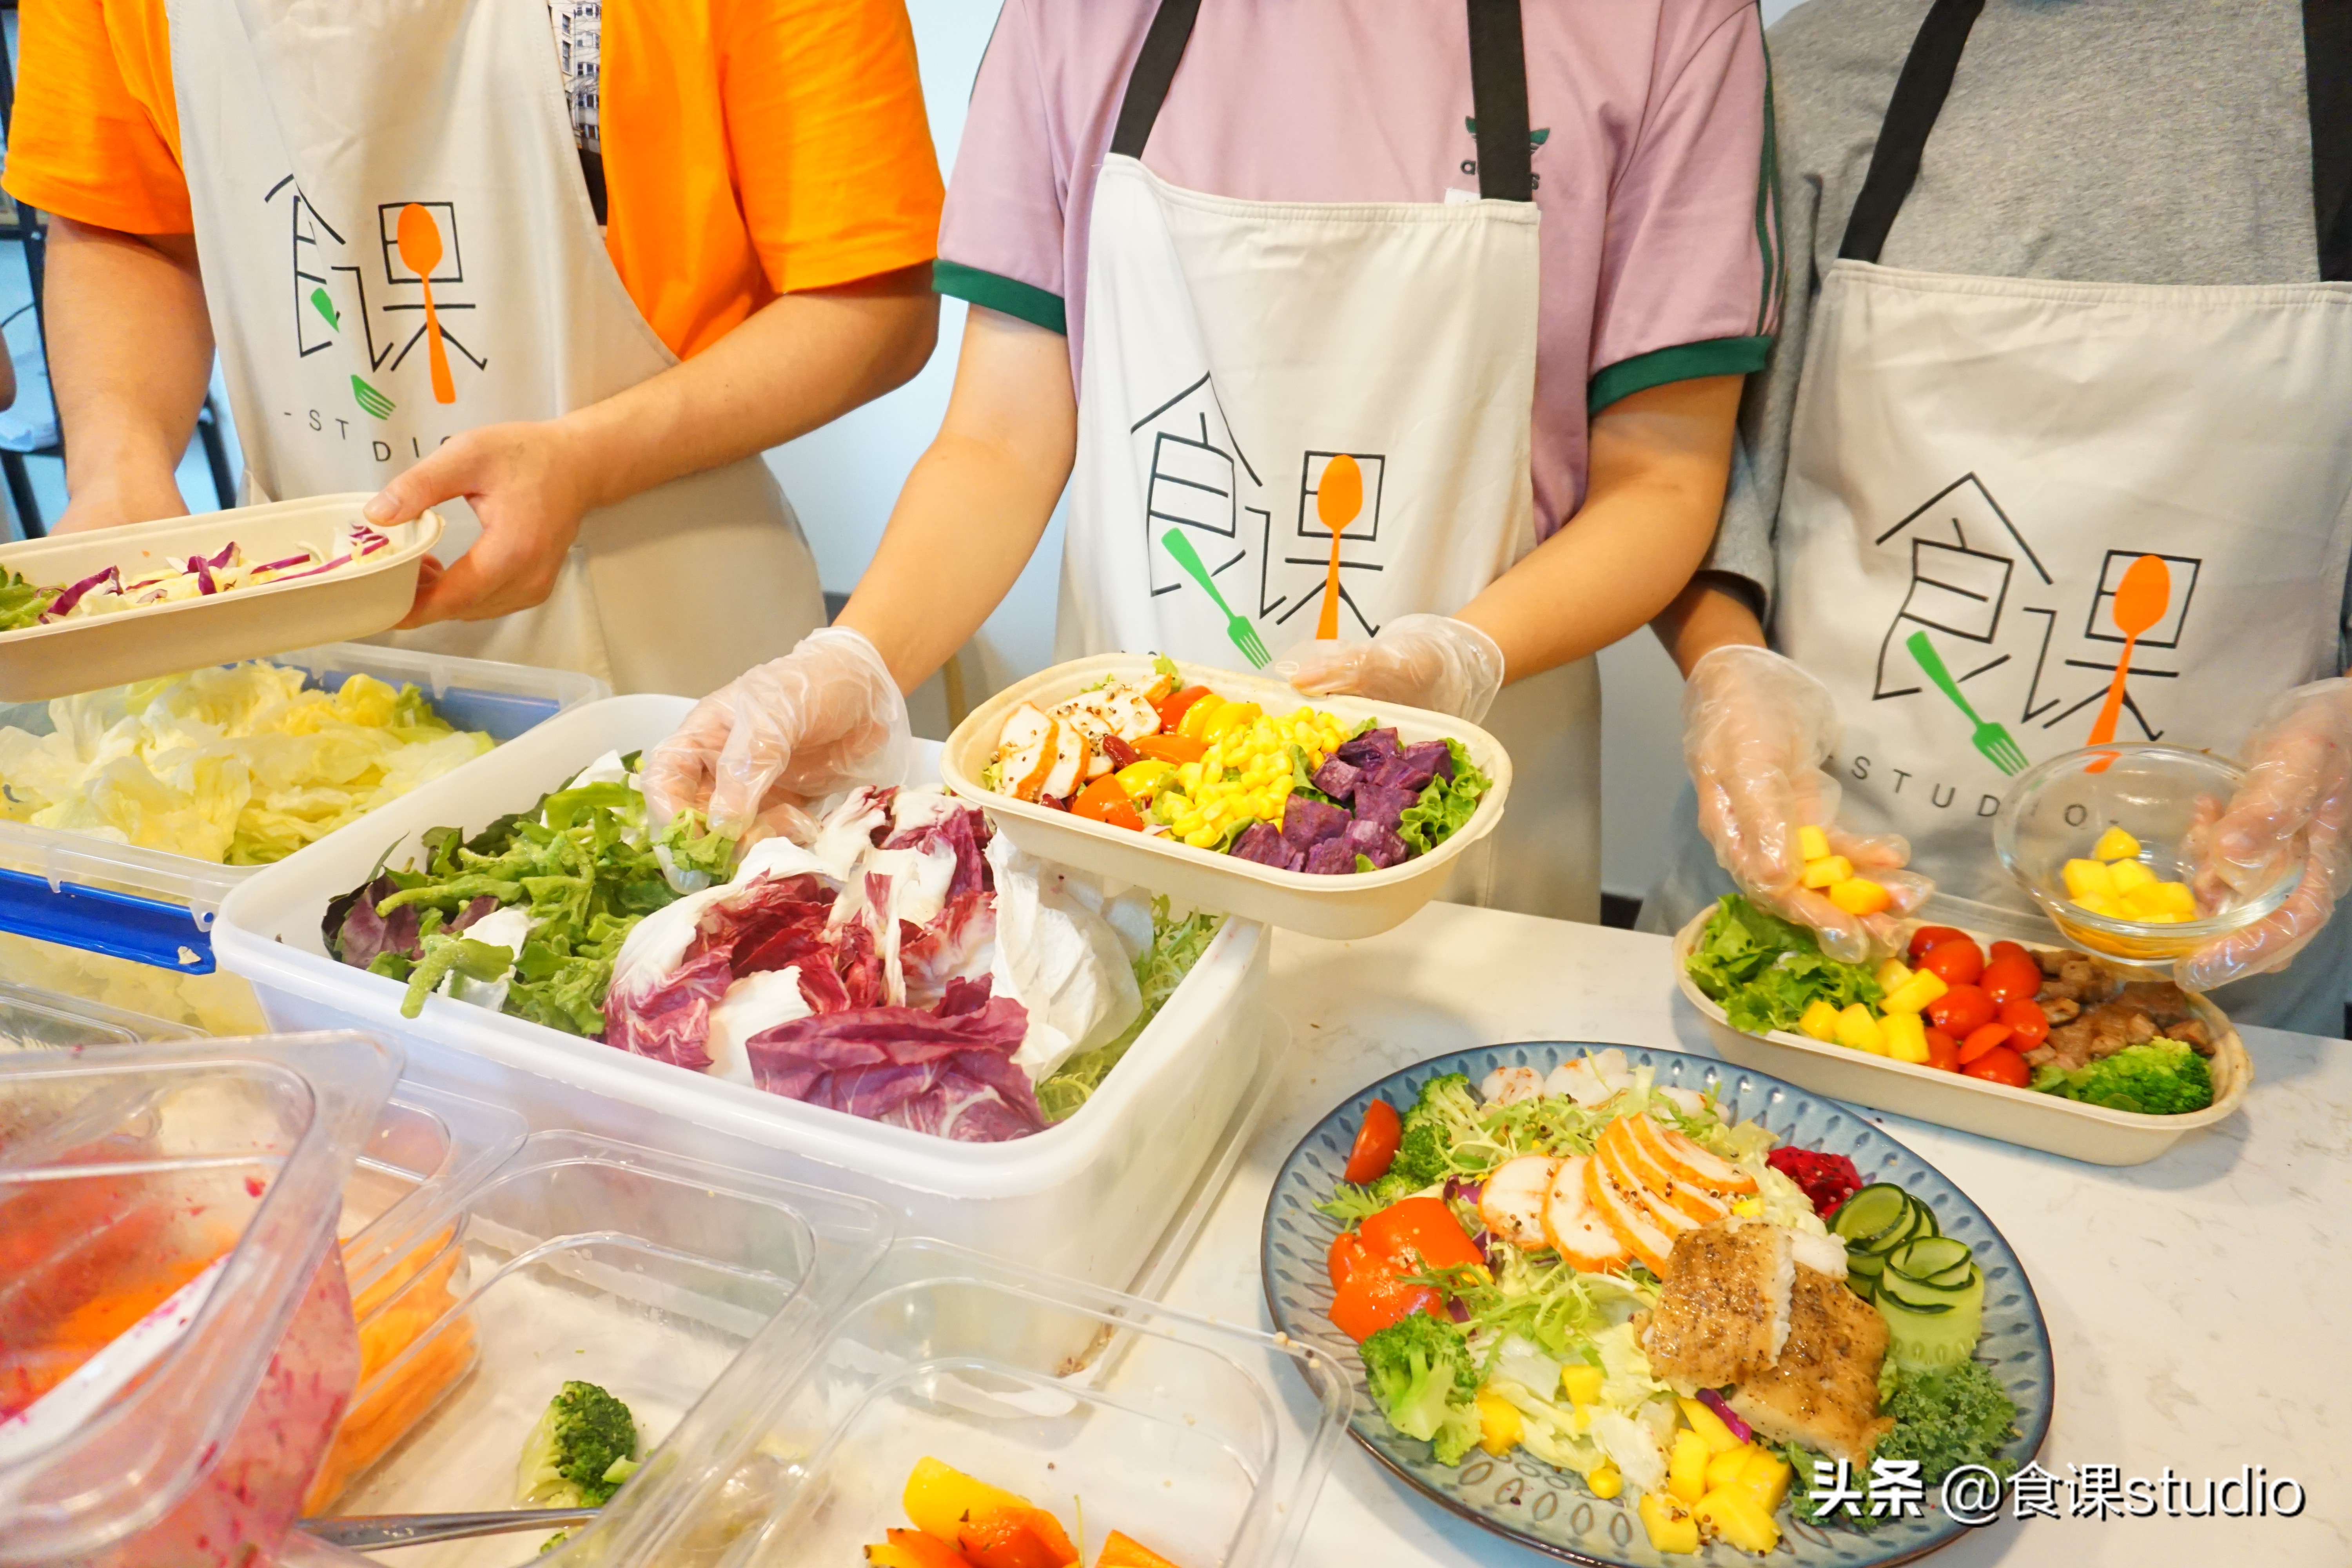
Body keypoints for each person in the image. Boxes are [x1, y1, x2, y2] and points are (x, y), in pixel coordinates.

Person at [642, 0, 1782, 921]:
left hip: (1461, 832)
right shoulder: (1078, 16)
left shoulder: (1664, 22)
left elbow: (1666, 479)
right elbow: (1001, 439)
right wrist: (854, 658)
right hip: (1114, 809)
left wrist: (1460, 658)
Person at [1640, 0, 2352, 1033]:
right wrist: (1730, 671)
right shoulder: (1829, 63)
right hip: (1812, 915)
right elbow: (1702, 487)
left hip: (2207, 971)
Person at [4, 0, 945, 695]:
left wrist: (587, 460)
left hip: (668, 650)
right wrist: (120, 463)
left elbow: (873, 306)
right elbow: (125, 222)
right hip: (309, 651)